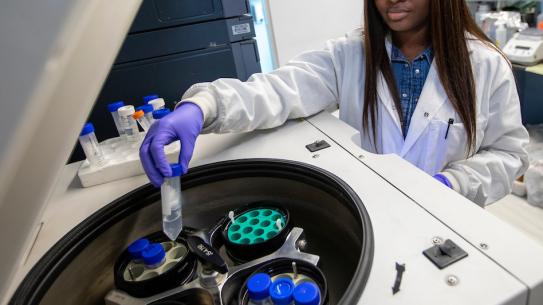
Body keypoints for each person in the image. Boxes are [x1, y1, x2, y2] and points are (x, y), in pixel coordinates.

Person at [140, 0, 529, 206]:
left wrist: (451, 183)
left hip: (448, 217)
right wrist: (204, 105)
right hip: (370, 207)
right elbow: (278, 89)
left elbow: (508, 154)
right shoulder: (351, 55)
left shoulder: (484, 64)